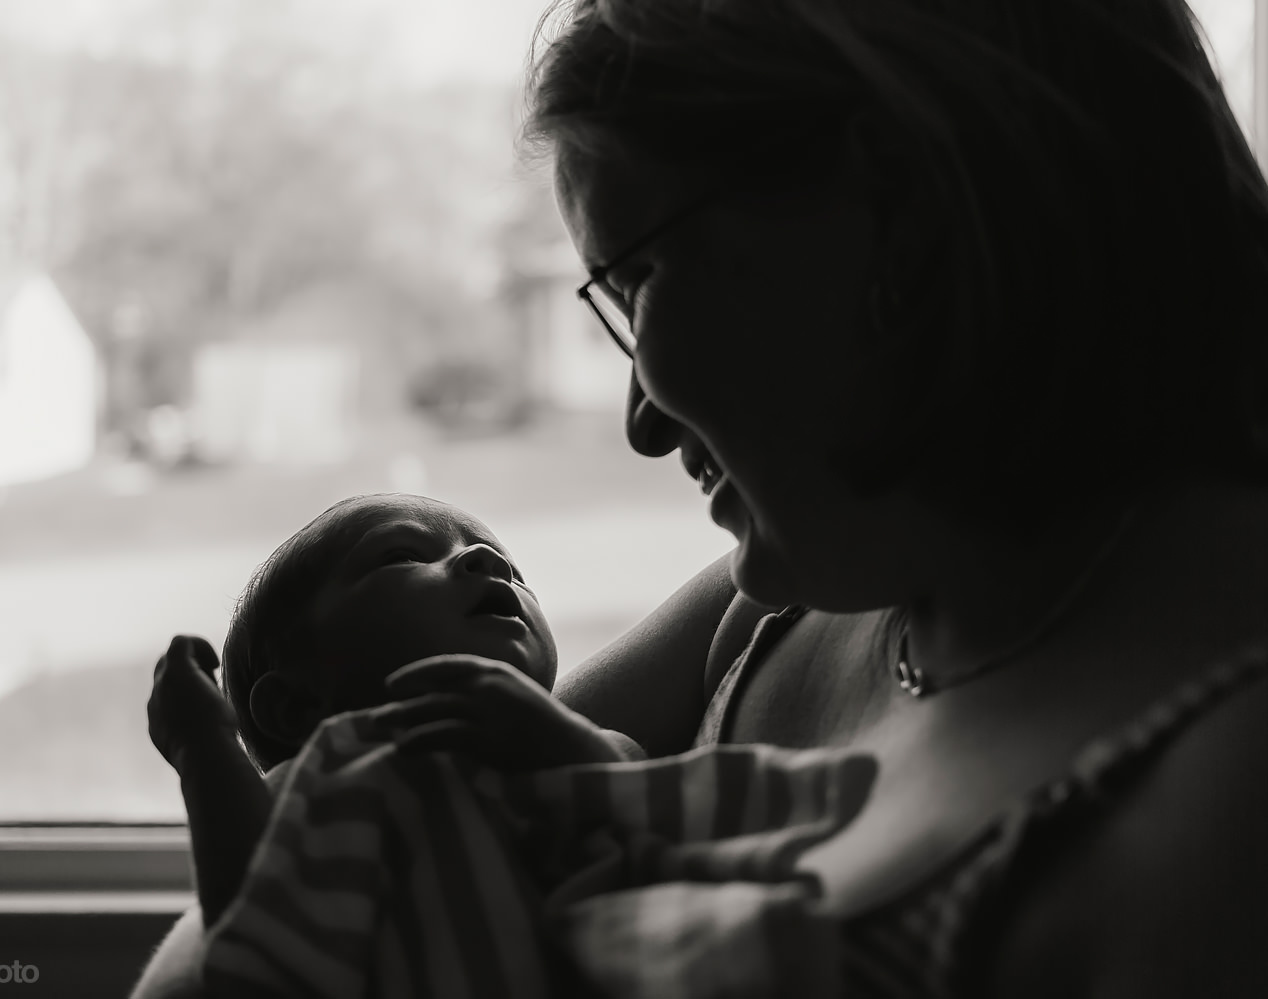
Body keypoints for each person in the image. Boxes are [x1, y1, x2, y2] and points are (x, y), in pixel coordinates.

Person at [135, 0, 1268, 995]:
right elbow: (337, 863)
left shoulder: (1215, 812)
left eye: (636, 283)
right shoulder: (775, 609)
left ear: (900, 215)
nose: (639, 421)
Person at [145, 492, 644, 931]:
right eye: (403, 556)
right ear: (296, 706)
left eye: (514, 573)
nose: (485, 558)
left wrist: (564, 746)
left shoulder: (595, 750)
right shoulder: (314, 798)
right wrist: (206, 751)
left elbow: (661, 849)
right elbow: (250, 929)